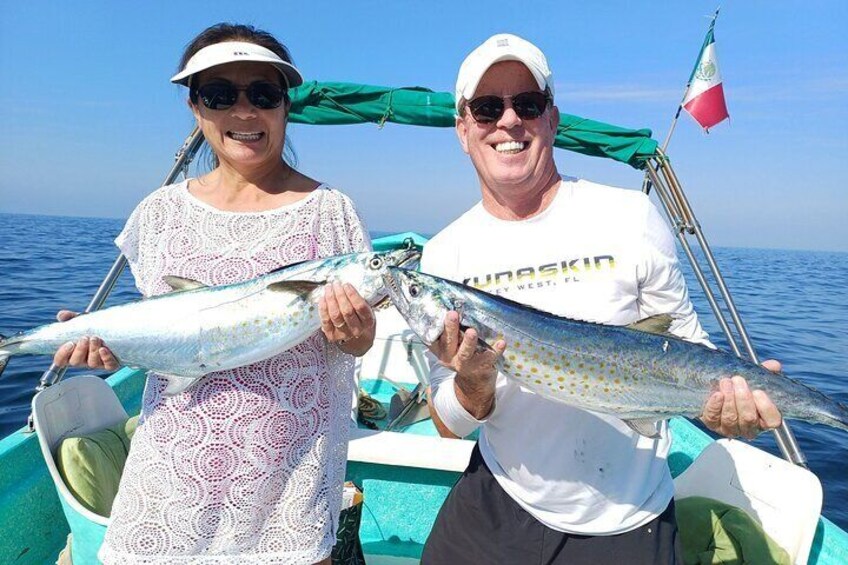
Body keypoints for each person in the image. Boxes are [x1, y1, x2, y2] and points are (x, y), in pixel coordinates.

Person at [420, 33, 784, 564]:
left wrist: (728, 407)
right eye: (486, 108)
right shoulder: (444, 254)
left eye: (527, 104)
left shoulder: (630, 218)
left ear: (552, 119)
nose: (508, 122)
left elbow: (685, 348)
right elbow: (448, 423)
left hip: (628, 514)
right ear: (462, 129)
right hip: (500, 498)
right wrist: (473, 386)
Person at [52, 23, 375, 564]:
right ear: (195, 106)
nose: (244, 112)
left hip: (287, 495)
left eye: (264, 94)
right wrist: (107, 350)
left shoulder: (332, 212)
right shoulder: (159, 214)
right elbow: (165, 336)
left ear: (285, 105)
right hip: (169, 490)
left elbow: (354, 347)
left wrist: (359, 336)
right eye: (221, 95)